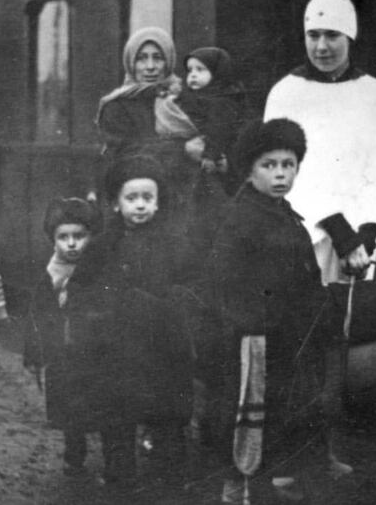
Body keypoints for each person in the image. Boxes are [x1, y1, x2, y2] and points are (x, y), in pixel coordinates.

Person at [209, 118, 343, 504]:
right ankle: (246, 485)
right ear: (250, 170)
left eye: (288, 165)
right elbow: (227, 281)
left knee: (291, 408)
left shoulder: (284, 213)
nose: (280, 174)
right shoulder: (241, 219)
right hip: (257, 337)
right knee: (253, 414)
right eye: (269, 165)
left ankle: (286, 477)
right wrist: (260, 324)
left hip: (291, 334)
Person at [67, 154, 194, 487]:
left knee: (168, 416)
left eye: (147, 198)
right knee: (117, 418)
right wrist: (100, 318)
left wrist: (170, 306)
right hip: (118, 350)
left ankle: (170, 478)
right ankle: (119, 477)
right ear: (116, 203)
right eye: (131, 198)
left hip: (162, 348)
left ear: (158, 202)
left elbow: (190, 284)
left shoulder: (173, 243)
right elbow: (81, 289)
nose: (140, 206)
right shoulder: (103, 246)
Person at [263, 0, 376, 285]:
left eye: (332, 35)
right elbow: (283, 172)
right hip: (306, 236)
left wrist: (367, 234)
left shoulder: (372, 92)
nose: (321, 47)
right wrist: (339, 233)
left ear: (349, 36)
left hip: (359, 248)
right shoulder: (286, 92)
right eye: (313, 35)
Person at [96, 27, 205, 240]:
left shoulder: (181, 98)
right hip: (141, 205)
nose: (150, 67)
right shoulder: (117, 106)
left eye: (158, 58)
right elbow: (128, 153)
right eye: (141, 59)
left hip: (186, 200)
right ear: (130, 63)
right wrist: (183, 149)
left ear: (169, 61)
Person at [23, 197, 102, 478]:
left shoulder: (97, 270)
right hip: (63, 353)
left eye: (79, 237)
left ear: (90, 237)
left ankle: (112, 453)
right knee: (70, 405)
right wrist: (34, 354)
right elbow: (36, 315)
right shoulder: (50, 274)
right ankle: (74, 453)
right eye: (63, 237)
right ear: (53, 240)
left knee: (102, 399)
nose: (71, 244)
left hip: (94, 349)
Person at [178, 46, 246, 194]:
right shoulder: (191, 98)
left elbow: (219, 130)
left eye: (200, 70)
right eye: (190, 70)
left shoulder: (223, 101)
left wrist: (210, 156)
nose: (193, 75)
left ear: (217, 72)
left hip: (218, 162)